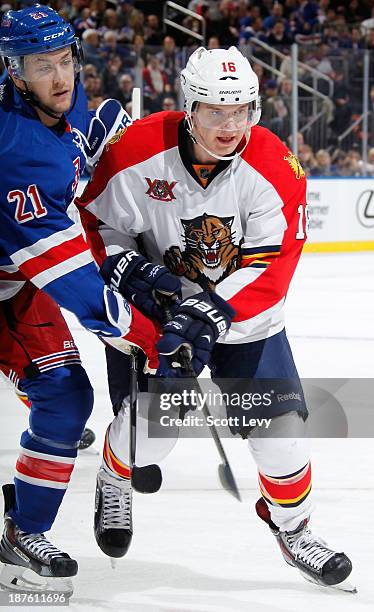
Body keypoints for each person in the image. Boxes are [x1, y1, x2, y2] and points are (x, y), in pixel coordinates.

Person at [77, 46, 354, 590]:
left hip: (246, 324)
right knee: (151, 441)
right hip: (162, 317)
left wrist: (211, 311)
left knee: (281, 440)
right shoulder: (136, 150)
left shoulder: (275, 166)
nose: (231, 126)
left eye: (243, 110)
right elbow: (94, 223)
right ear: (189, 107)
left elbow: (273, 264)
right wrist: (128, 266)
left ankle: (293, 528)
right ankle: (115, 475)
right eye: (215, 111)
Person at [0, 5, 162, 595]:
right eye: (43, 66)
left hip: (13, 281)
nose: (62, 76)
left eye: (66, 59)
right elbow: (73, 281)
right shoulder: (18, 153)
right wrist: (145, 333)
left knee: (66, 398)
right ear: (14, 73)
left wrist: (95, 141)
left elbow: (77, 137)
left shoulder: (55, 100)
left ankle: (24, 529)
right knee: (61, 396)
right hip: (22, 273)